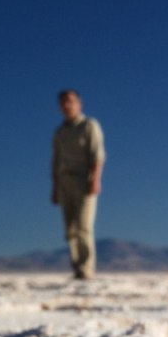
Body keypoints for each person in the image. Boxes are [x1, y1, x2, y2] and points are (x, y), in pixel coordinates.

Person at [50, 88, 105, 280]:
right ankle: (77, 268)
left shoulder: (89, 126)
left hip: (84, 181)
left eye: (70, 101)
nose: (67, 105)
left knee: (84, 226)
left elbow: (97, 155)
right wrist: (55, 188)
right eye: (63, 102)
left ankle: (86, 269)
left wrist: (95, 179)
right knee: (70, 229)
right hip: (64, 182)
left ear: (79, 104)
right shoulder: (60, 133)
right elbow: (56, 161)